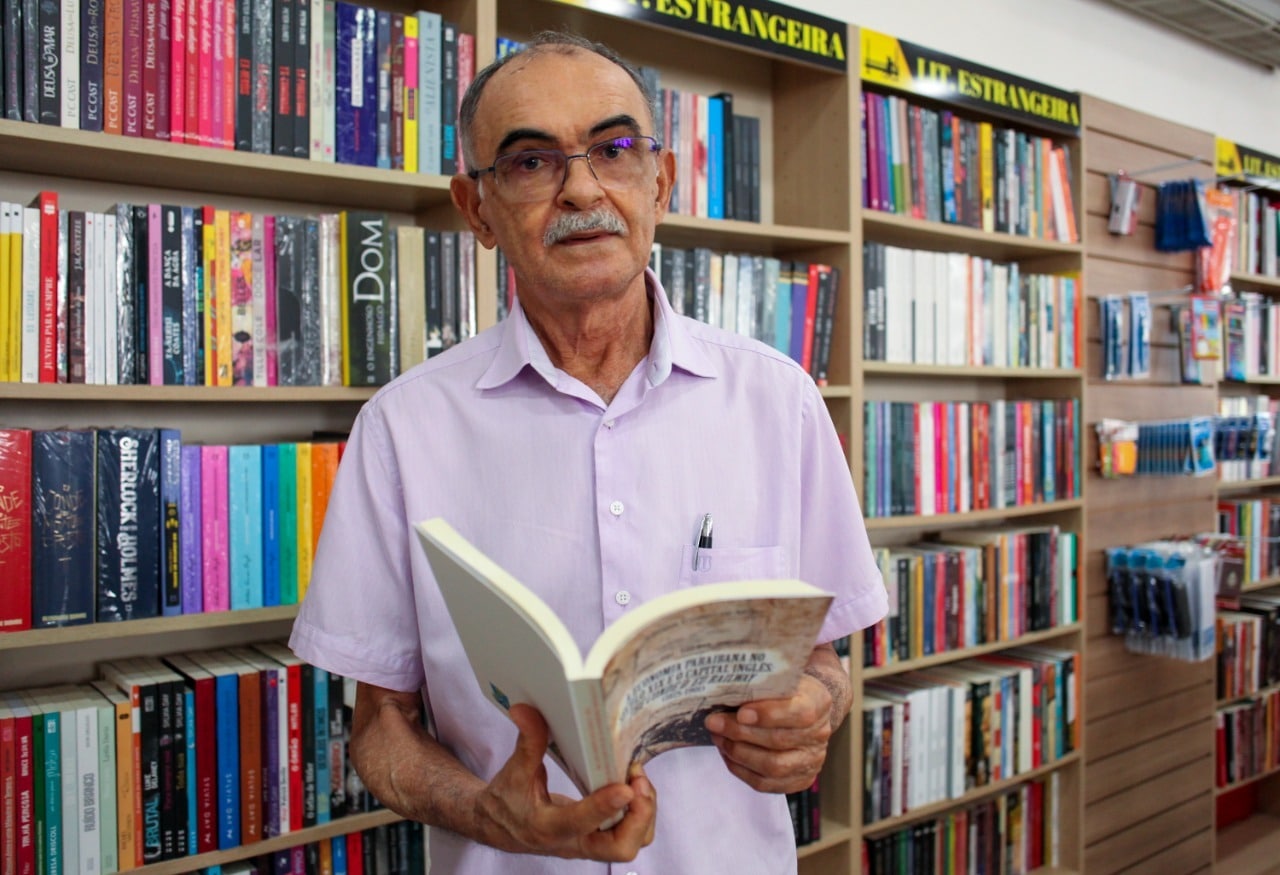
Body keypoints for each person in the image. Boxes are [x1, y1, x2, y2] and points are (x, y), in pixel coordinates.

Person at [289, 29, 888, 873]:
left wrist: (813, 713)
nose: (581, 188)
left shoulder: (778, 400)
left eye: (613, 150)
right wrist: (488, 812)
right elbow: (379, 726)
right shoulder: (402, 428)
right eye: (531, 161)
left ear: (660, 181)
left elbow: (825, 659)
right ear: (476, 210)